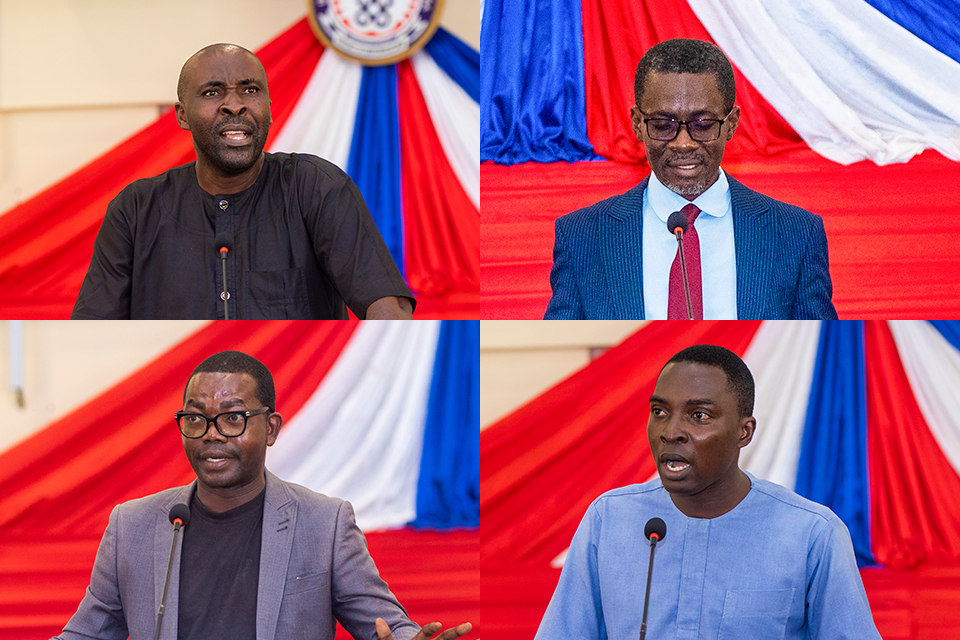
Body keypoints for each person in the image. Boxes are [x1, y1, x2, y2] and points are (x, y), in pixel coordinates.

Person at [53, 351, 471, 640]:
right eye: (196, 418)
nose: (212, 433)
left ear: (271, 428)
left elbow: (385, 624)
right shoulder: (134, 524)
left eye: (233, 418)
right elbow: (88, 631)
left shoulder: (324, 523)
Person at [534, 344, 881, 639]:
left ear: (744, 432)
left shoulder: (812, 534)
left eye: (699, 415)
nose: (671, 432)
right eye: (660, 412)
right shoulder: (608, 520)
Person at [71, 44, 415, 320]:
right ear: (182, 115)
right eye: (212, 93)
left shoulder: (317, 186)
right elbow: (93, 326)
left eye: (249, 90)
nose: (234, 106)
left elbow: (386, 308)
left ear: (267, 105)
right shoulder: (135, 209)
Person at [544, 39, 838, 320]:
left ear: (731, 123)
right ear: (637, 124)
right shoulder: (581, 236)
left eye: (703, 124)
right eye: (662, 124)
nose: (683, 143)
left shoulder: (796, 234)